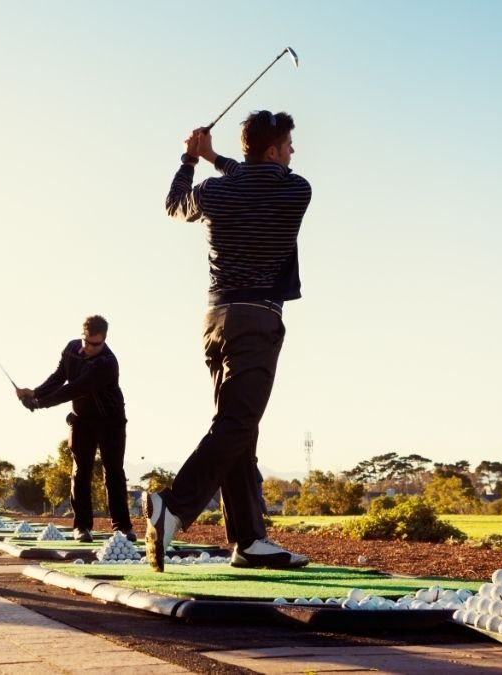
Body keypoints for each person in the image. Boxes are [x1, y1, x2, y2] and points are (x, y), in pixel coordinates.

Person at [146, 110, 312, 572]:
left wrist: (193, 158)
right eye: (289, 146)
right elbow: (258, 175)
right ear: (275, 150)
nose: (293, 152)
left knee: (239, 425)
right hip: (257, 319)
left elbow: (175, 203)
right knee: (238, 424)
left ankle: (249, 539)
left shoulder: (215, 191)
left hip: (216, 319)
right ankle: (174, 508)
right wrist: (216, 156)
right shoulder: (296, 189)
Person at [17, 315, 134, 543]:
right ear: (82, 335)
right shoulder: (71, 349)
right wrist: (35, 393)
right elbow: (59, 378)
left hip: (111, 421)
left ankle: (122, 528)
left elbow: (75, 389)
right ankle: (82, 527)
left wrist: (39, 404)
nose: (89, 348)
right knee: (81, 471)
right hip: (82, 420)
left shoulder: (107, 363)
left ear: (104, 340)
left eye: (95, 344)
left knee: (114, 473)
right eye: (86, 341)